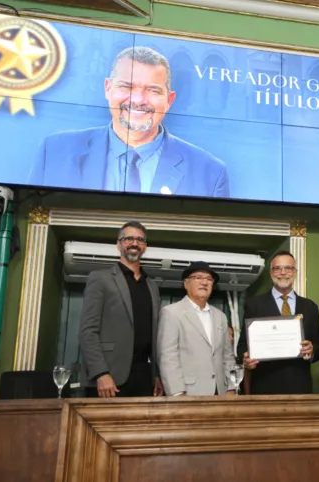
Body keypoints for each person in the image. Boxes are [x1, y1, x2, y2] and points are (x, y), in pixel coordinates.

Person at [28, 46, 230, 198]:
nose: (138, 100)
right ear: (108, 89)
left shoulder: (210, 174)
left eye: (153, 90)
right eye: (126, 87)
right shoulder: (54, 152)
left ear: (169, 100)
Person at [78, 221, 163, 397]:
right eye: (128, 239)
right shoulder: (100, 279)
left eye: (140, 240)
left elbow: (155, 334)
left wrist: (156, 375)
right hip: (109, 377)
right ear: (119, 244)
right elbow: (88, 331)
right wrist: (100, 373)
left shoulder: (151, 285)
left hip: (144, 376)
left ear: (145, 246)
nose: (134, 243)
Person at [238, 251, 319, 394]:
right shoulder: (254, 305)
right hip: (264, 386)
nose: (283, 273)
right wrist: (246, 360)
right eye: (278, 268)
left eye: (288, 268)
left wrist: (312, 350)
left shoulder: (310, 307)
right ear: (271, 273)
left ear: (295, 272)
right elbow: (242, 345)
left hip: (300, 386)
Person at [157, 261, 236, 396]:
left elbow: (227, 356)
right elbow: (168, 357)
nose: (204, 282)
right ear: (186, 283)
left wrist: (231, 387)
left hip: (221, 393)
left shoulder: (220, 316)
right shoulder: (172, 313)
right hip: (188, 393)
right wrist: (177, 393)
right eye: (198, 278)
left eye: (208, 279)